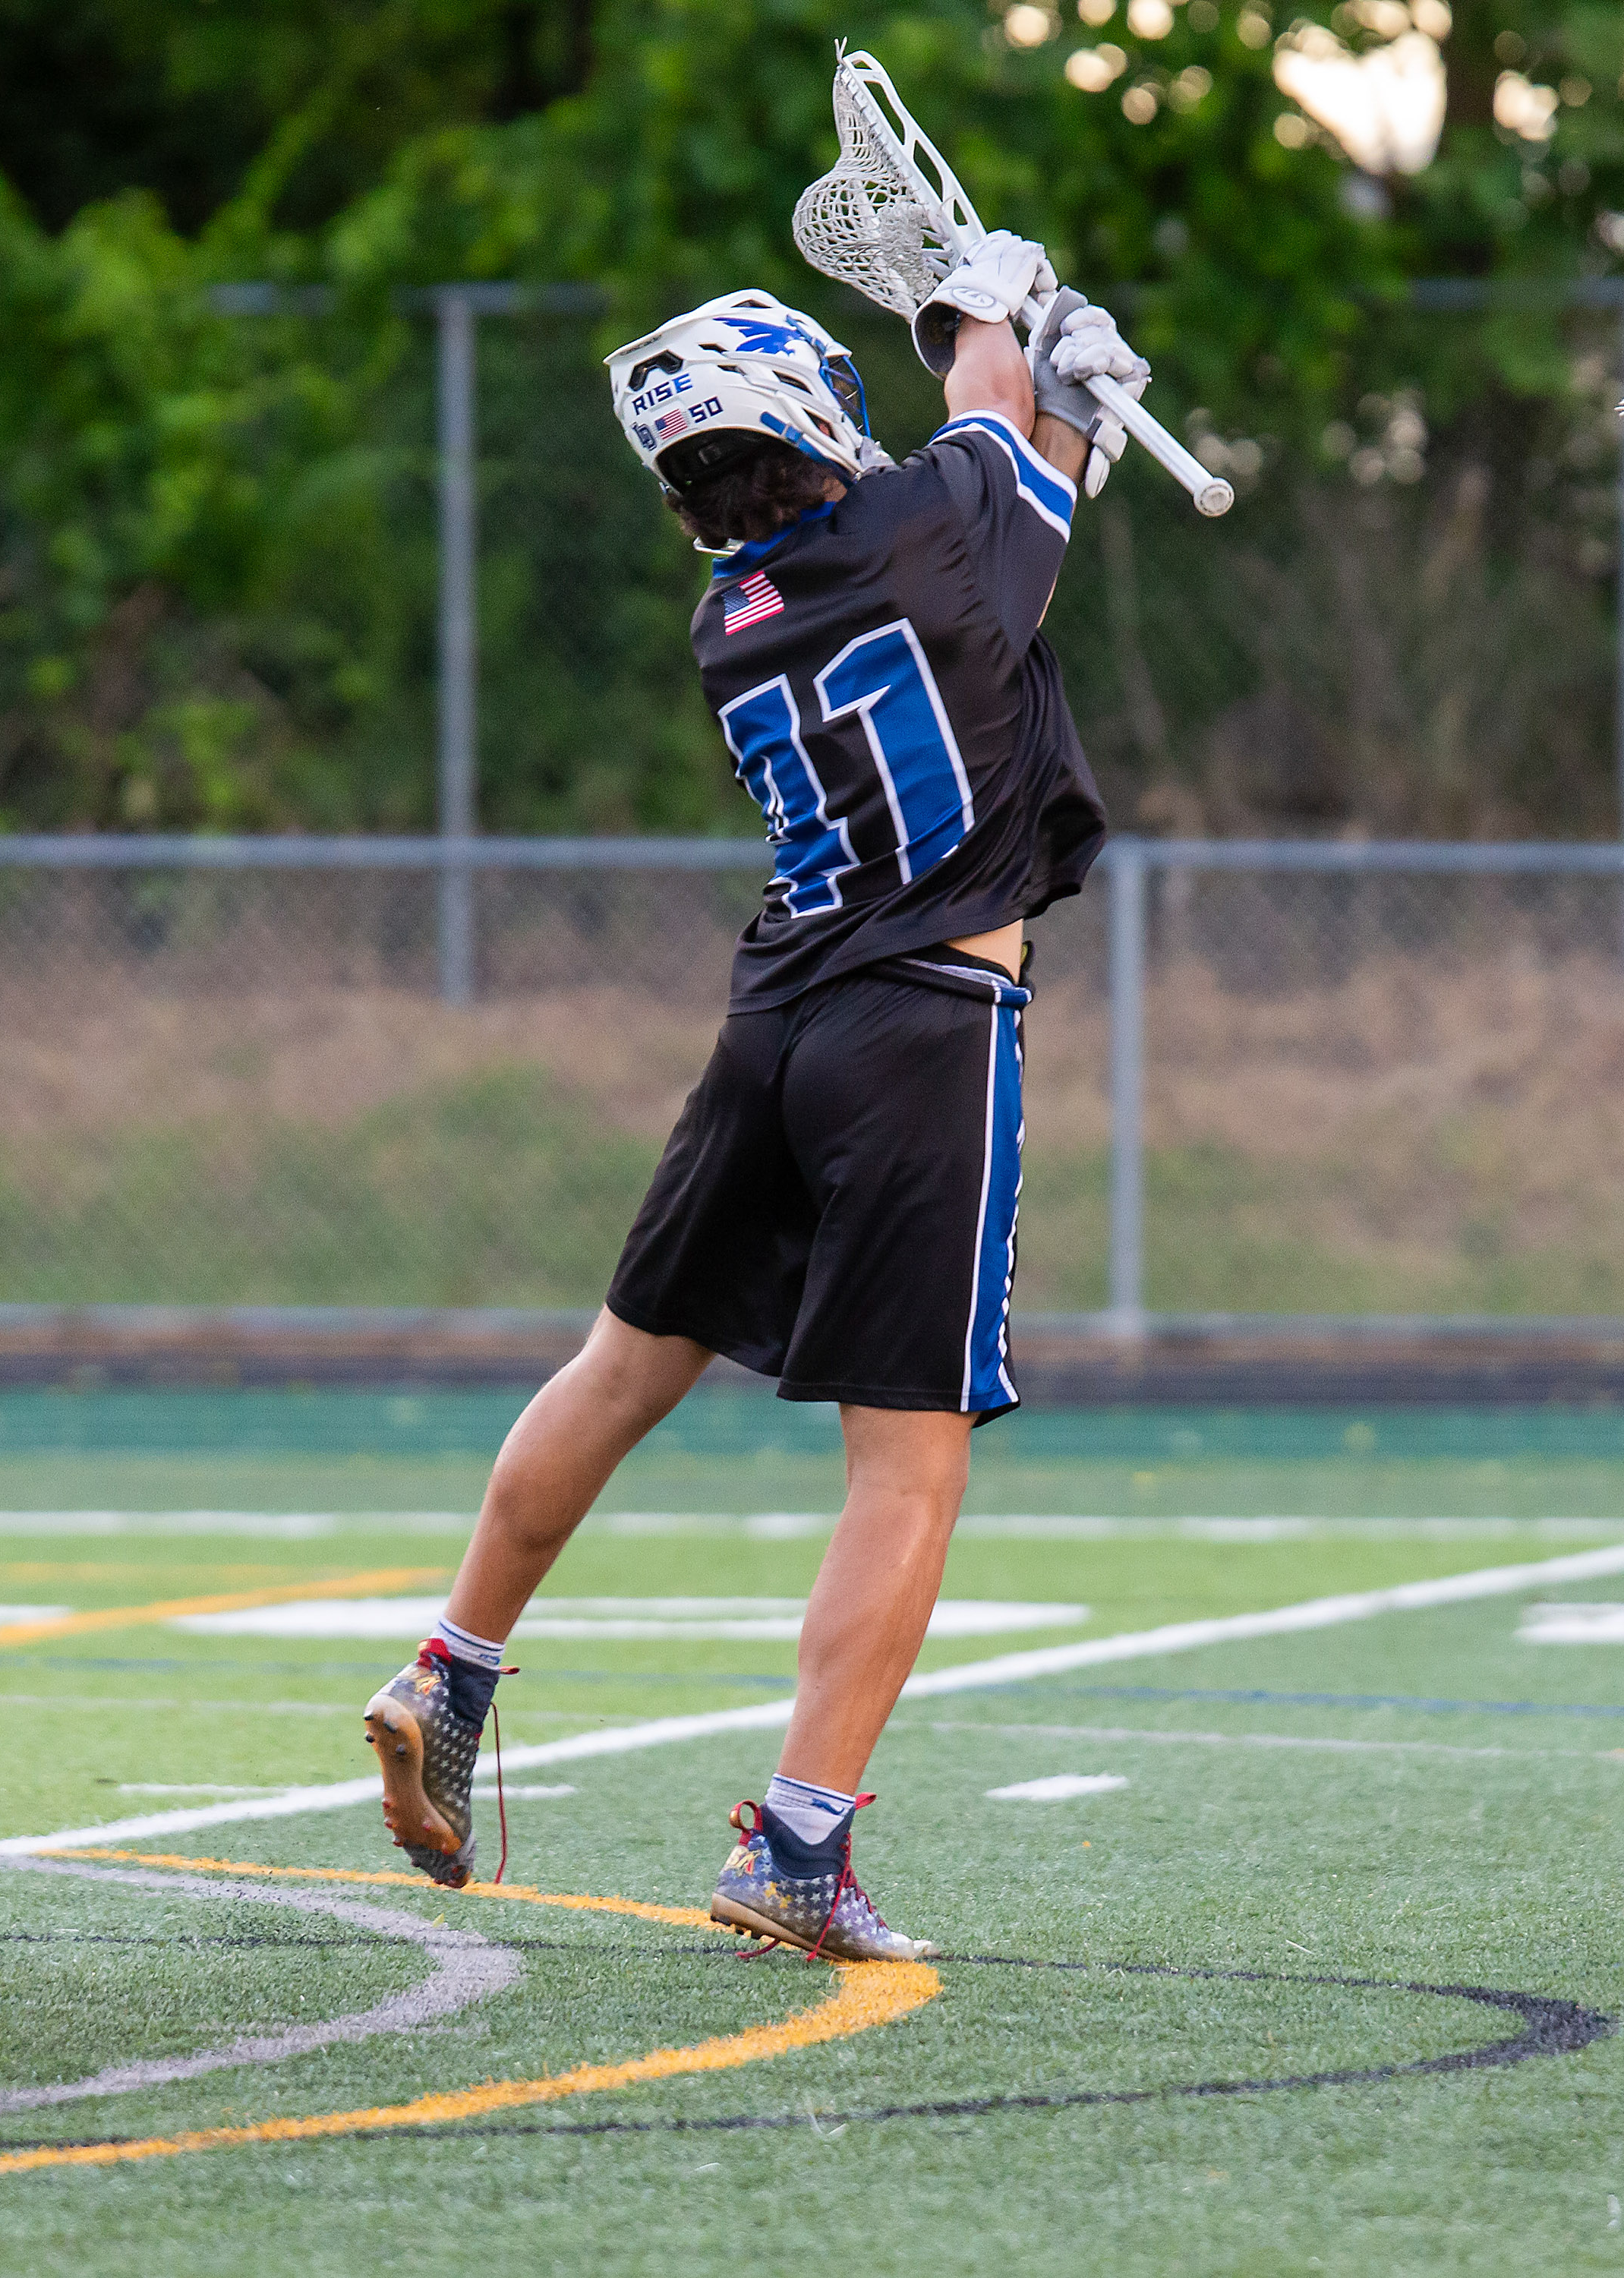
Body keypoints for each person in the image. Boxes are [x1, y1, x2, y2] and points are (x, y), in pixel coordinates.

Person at [358, 241, 1146, 1961]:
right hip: (930, 1018)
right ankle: (799, 1845)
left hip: (775, 1012)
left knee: (626, 1362)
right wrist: (994, 309)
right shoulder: (932, 518)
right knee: (908, 1468)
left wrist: (1064, 392)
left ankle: (453, 1667)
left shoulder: (732, 616)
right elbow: (982, 425)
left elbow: (1012, 508)